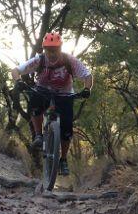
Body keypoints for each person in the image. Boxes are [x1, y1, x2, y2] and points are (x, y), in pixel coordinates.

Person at [10, 32, 93, 176]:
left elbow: (87, 75)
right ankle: (38, 135)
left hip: (64, 93)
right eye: (49, 49)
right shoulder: (39, 60)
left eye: (55, 49)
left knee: (66, 129)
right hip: (43, 91)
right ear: (44, 49)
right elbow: (16, 70)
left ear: (60, 48)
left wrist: (87, 89)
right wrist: (18, 82)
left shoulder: (69, 60)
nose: (52, 53)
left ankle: (63, 160)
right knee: (34, 102)